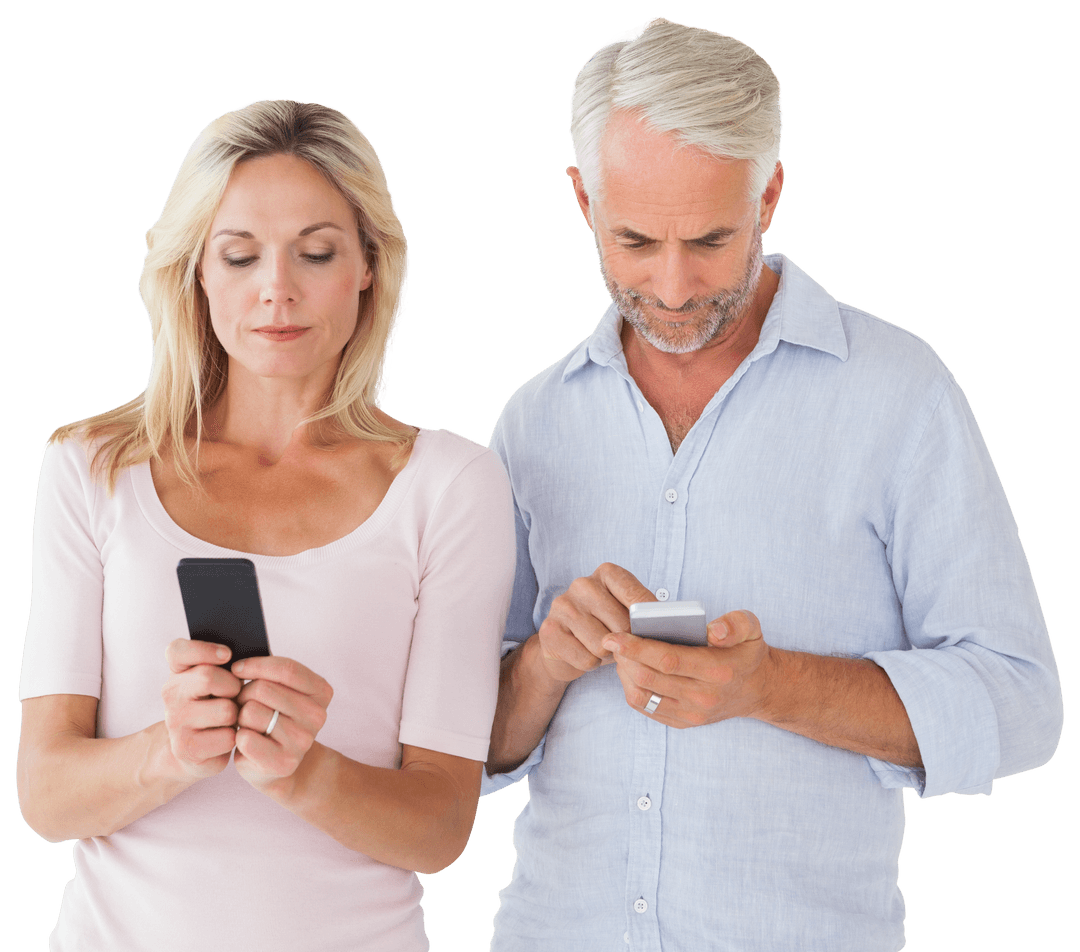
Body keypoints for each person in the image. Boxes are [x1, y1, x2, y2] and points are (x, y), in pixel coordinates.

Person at [483, 19, 1063, 952]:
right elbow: (468, 746)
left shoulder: (898, 394)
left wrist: (770, 685)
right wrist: (546, 662)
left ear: (771, 195)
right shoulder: (534, 420)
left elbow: (1022, 705)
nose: (672, 289)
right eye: (634, 240)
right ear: (583, 198)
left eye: (710, 239)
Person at [15, 99, 514, 951]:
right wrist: (169, 752)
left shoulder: (450, 485)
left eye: (315, 253)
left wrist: (305, 772)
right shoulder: (91, 468)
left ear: (368, 264)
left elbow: (439, 826)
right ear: (196, 272)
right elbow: (47, 796)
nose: (276, 289)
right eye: (239, 256)